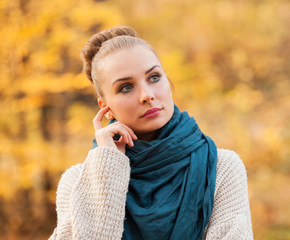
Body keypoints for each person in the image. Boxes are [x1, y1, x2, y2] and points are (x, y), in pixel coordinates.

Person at [49, 26, 253, 240]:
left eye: (154, 77)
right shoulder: (76, 183)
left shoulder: (222, 168)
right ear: (105, 107)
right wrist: (108, 167)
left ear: (167, 81)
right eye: (126, 87)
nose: (147, 95)